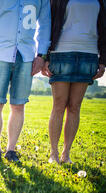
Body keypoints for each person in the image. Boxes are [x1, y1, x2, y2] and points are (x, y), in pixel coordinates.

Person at [0, 0, 51, 162]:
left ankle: (11, 150)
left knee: (19, 105)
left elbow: (45, 24)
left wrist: (41, 55)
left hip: (26, 55)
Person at [42, 0, 106, 164]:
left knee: (75, 106)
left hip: (89, 54)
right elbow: (48, 23)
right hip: (61, 52)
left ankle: (66, 153)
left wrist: (103, 61)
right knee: (59, 104)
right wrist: (45, 57)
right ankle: (53, 153)